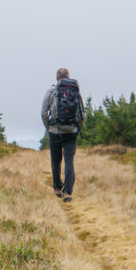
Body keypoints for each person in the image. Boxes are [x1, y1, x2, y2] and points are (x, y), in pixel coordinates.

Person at [41, 68, 85, 202]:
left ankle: (58, 188)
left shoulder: (51, 91)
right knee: (69, 161)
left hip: (55, 131)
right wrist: (78, 127)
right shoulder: (75, 90)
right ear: (68, 77)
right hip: (71, 131)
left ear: (56, 78)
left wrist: (48, 127)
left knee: (56, 161)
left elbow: (43, 112)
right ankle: (68, 193)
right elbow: (82, 112)